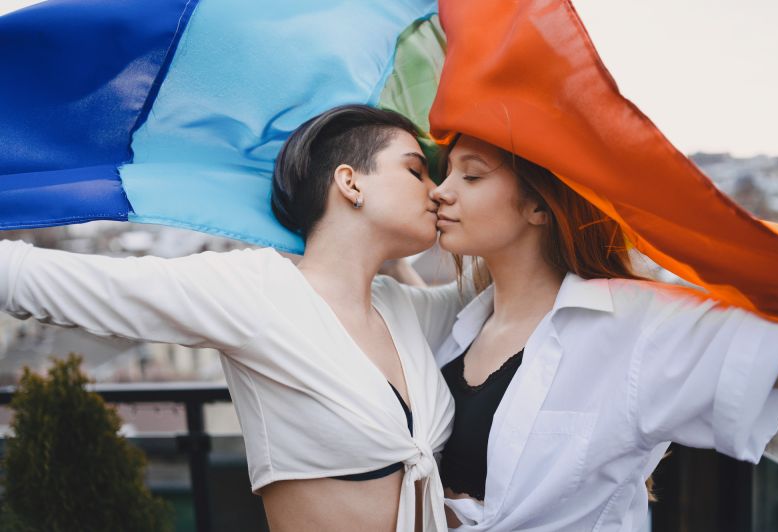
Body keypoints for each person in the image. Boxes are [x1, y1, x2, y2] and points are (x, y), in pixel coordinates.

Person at [0, 105, 465, 532]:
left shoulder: (404, 308)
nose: (438, 191)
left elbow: (518, 280)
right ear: (350, 182)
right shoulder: (256, 290)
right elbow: (43, 281)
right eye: (415, 170)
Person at [423, 133, 778, 531]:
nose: (440, 192)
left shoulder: (633, 324)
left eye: (472, 177)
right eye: (446, 173)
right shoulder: (457, 322)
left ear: (538, 205)